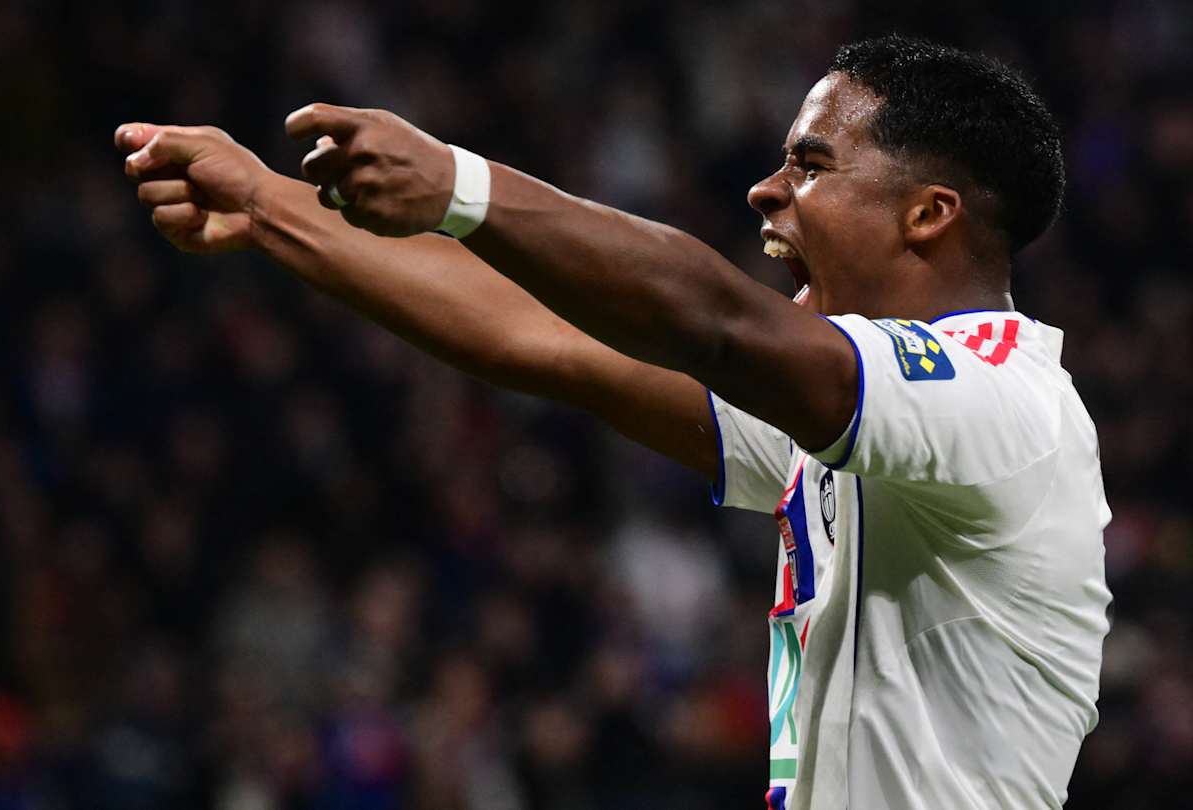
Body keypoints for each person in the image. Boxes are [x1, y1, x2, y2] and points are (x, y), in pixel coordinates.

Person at [117, 34, 1111, 810]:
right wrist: (270, 206)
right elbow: (540, 336)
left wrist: (462, 187)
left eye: (811, 165)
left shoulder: (1002, 400)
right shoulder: (858, 411)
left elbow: (716, 321)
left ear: (928, 214)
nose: (767, 190)